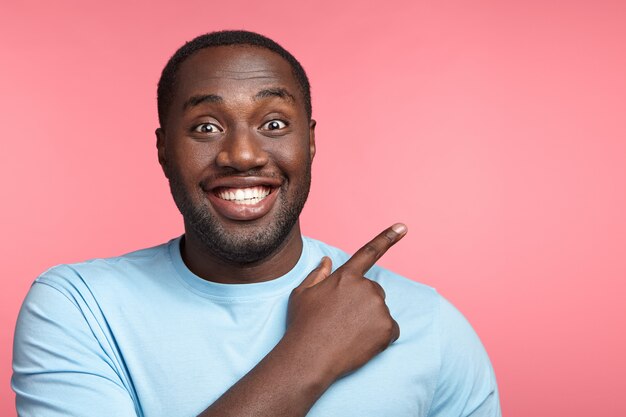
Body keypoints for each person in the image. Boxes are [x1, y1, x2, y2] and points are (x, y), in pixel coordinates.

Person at [12, 30, 501, 417]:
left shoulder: (424, 321)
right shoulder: (79, 309)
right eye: (207, 126)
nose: (242, 154)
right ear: (162, 149)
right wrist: (311, 354)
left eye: (273, 124)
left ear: (309, 142)